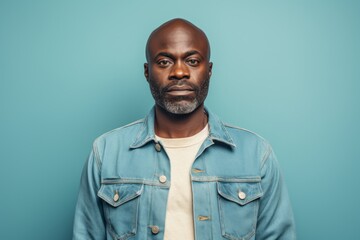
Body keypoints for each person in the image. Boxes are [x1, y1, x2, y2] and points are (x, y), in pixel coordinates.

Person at [72, 18, 296, 240]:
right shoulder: (106, 152)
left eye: (192, 60)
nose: (179, 72)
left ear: (209, 70)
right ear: (147, 72)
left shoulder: (256, 154)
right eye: (164, 62)